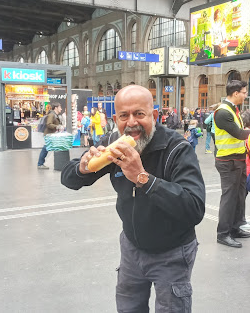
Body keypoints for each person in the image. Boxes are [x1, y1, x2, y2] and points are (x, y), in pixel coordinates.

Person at [61, 85, 205, 312]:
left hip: (172, 252)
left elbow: (194, 208)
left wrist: (143, 178)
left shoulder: (177, 149)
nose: (131, 123)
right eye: (123, 116)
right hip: (131, 248)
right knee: (128, 307)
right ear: (115, 119)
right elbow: (69, 180)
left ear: (154, 116)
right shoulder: (113, 143)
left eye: (139, 114)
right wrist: (82, 167)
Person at [214, 80, 250, 248]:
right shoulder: (222, 112)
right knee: (229, 197)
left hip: (239, 159)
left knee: (239, 195)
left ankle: (235, 228)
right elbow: (240, 134)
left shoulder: (234, 110)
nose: (245, 95)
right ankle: (223, 233)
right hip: (228, 161)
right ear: (235, 93)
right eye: (244, 92)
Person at [37, 102, 62, 169]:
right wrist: (57, 127)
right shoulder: (51, 115)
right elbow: (49, 124)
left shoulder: (55, 115)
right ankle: (40, 164)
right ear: (56, 108)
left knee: (47, 148)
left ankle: (42, 163)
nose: (61, 109)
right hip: (49, 135)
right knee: (45, 148)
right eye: (60, 107)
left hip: (52, 135)